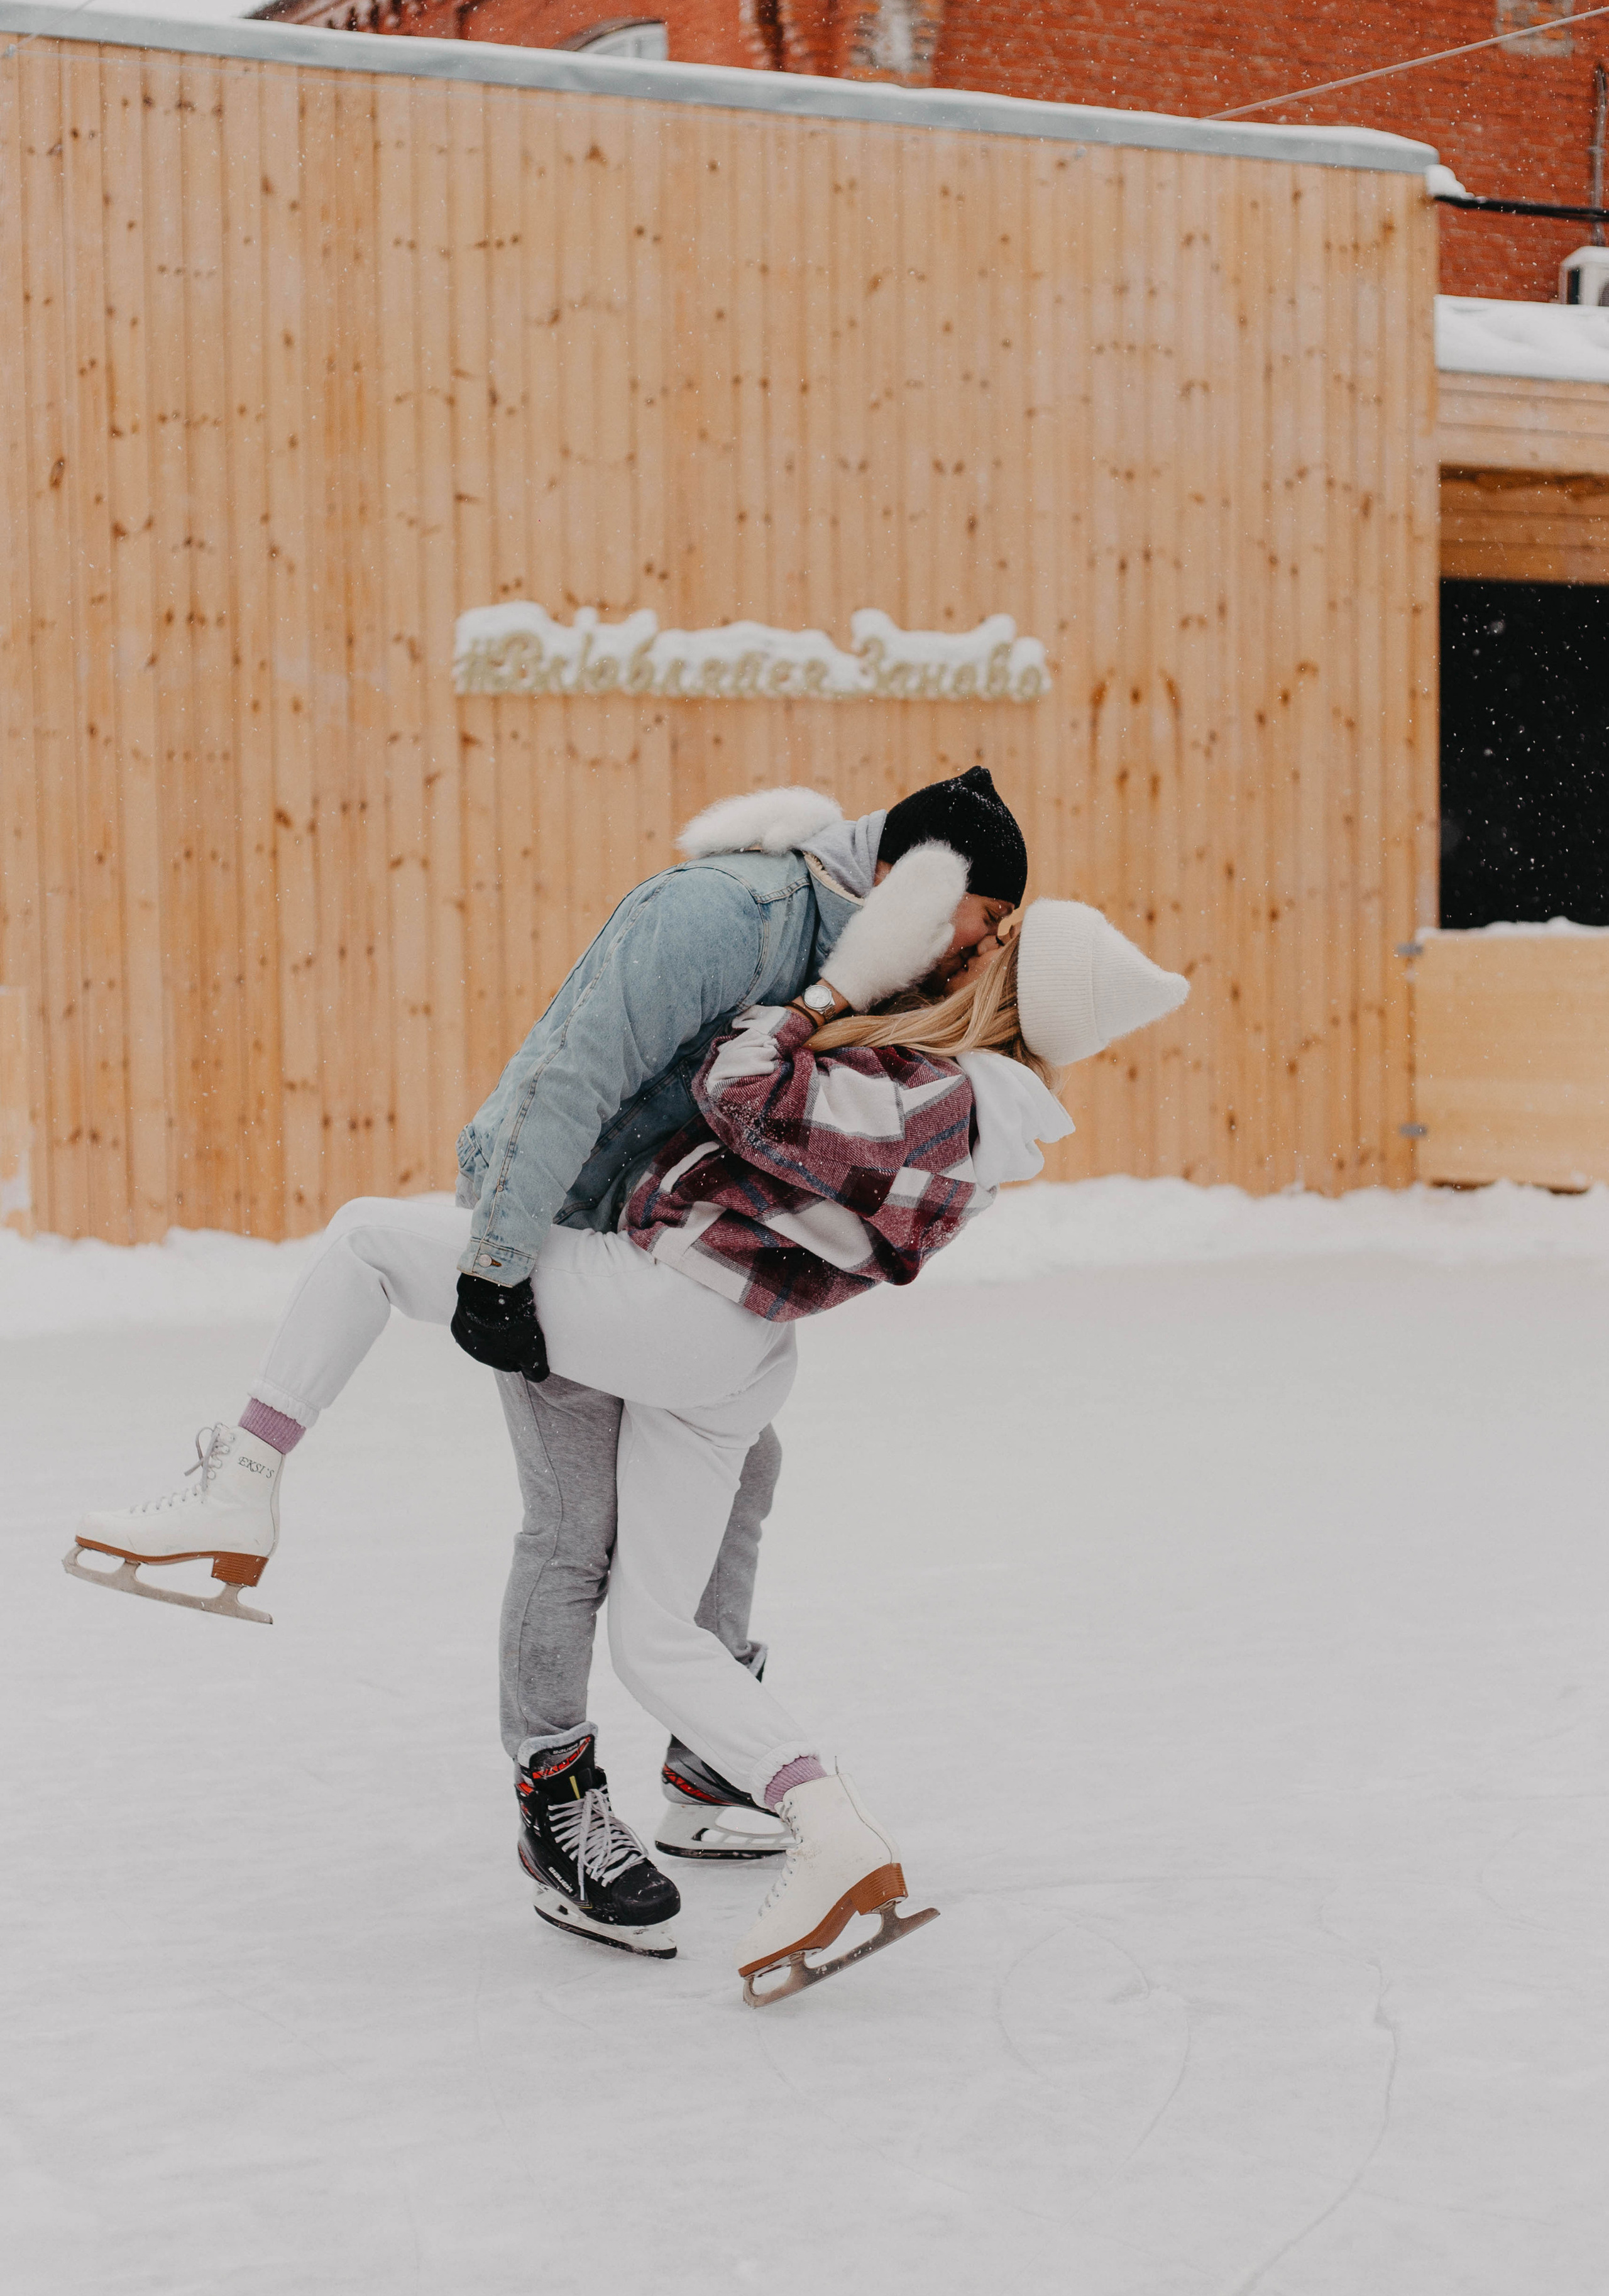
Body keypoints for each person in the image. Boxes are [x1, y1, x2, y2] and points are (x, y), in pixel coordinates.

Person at [67, 771, 1035, 1934]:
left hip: (653, 1259)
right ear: (914, 885)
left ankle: (710, 1762)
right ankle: (556, 1799)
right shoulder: (727, 916)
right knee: (578, 1533)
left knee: (743, 1472)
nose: (973, 958)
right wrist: (498, 1259)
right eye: (979, 926)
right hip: (555, 1229)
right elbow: (568, 1077)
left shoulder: (851, 966)